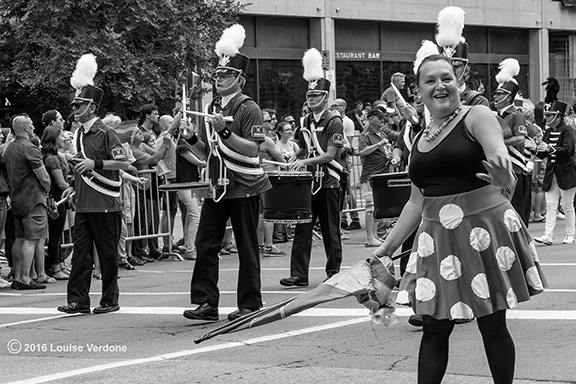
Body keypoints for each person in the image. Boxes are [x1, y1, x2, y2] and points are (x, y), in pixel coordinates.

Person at [372, 51, 545, 384]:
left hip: (482, 230)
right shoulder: (421, 139)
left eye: (446, 78)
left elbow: (498, 154)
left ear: (458, 82)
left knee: (492, 324)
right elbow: (415, 202)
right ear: (418, 91)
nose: (440, 86)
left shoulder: (477, 115)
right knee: (435, 327)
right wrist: (384, 250)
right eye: (430, 80)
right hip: (437, 238)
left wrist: (502, 173)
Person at [182, 24, 271, 322]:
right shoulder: (213, 106)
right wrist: (193, 137)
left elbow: (251, 150)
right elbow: (210, 152)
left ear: (240, 79)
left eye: (226, 75)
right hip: (217, 185)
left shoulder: (249, 108)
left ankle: (250, 302)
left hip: (243, 183)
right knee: (205, 243)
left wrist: (225, 130)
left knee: (246, 246)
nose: (219, 80)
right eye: (218, 75)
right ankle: (207, 303)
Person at [57, 54, 130, 314]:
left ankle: (110, 300)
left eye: (79, 106)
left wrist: (96, 165)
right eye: (74, 106)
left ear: (91, 108)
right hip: (85, 202)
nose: (74, 110)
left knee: (108, 255)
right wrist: (73, 186)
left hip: (106, 203)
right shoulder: (77, 134)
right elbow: (79, 166)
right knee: (80, 255)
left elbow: (124, 164)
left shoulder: (106, 132)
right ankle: (78, 300)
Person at [279, 48, 344, 287]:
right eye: (309, 96)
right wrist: (294, 157)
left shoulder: (334, 121)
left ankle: (334, 272)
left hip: (328, 180)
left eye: (316, 96)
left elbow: (329, 155)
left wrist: (303, 161)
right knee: (302, 227)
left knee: (330, 229)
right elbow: (305, 149)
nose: (311, 99)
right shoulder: (305, 121)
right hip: (310, 181)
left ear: (325, 98)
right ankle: (299, 274)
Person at [5, 114, 51, 290]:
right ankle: (25, 277)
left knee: (19, 238)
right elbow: (44, 176)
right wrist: (47, 190)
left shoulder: (9, 149)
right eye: (31, 125)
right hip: (33, 198)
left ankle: (17, 276)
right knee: (32, 239)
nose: (33, 127)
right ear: (25, 127)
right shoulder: (30, 148)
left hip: (17, 198)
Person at [493, 58, 531, 226]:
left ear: (508, 97)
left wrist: (499, 142)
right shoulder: (493, 116)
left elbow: (520, 138)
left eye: (499, 93)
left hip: (515, 168)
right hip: (499, 168)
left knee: (516, 212)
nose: (495, 96)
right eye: (495, 93)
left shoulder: (517, 115)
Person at [534, 101, 576, 245]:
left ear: (558, 117)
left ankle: (570, 234)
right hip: (552, 173)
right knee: (550, 205)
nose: (547, 118)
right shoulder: (548, 132)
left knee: (567, 205)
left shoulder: (568, 130)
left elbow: (567, 149)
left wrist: (549, 148)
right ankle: (547, 235)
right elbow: (542, 154)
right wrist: (534, 148)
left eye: (550, 115)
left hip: (567, 172)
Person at [40, 116, 71, 281]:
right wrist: (74, 188)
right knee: (55, 234)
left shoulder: (56, 156)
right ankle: (55, 266)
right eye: (60, 136)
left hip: (59, 198)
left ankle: (60, 264)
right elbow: (60, 182)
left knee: (57, 234)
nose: (63, 138)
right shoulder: (52, 159)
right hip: (56, 198)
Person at [358, 107, 392, 247]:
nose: (382, 121)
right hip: (370, 176)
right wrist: (379, 144)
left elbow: (385, 151)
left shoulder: (383, 134)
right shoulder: (364, 136)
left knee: (377, 206)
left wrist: (389, 156)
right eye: (379, 118)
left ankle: (376, 235)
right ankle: (370, 237)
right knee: (370, 206)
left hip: (382, 175)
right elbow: (362, 152)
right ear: (371, 119)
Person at [257, 110, 286, 256]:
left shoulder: (253, 138)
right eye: (269, 120)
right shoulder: (266, 140)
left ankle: (261, 245)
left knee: (261, 213)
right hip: (267, 179)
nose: (273, 122)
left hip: (257, 178)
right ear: (262, 123)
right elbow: (281, 160)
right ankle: (268, 245)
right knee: (268, 213)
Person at [330, 98, 361, 231]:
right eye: (333, 105)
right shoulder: (334, 121)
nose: (334, 107)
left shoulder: (348, 122)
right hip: (335, 159)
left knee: (347, 190)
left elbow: (347, 144)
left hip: (344, 160)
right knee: (340, 190)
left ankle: (355, 218)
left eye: (337, 105)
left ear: (343, 107)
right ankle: (342, 219)